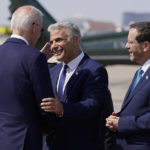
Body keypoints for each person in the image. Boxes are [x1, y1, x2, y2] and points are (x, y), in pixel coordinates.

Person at [41, 21, 114, 150]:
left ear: (74, 39)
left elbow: (91, 106)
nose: (53, 46)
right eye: (51, 42)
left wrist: (62, 109)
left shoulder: (94, 70)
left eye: (58, 40)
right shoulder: (52, 71)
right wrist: (38, 60)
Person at [0, 5, 54, 150]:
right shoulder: (34, 58)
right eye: (41, 29)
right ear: (35, 27)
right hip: (24, 140)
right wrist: (50, 128)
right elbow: (45, 104)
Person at [106, 21, 150, 150]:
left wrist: (122, 123)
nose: (126, 46)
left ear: (146, 45)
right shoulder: (141, 72)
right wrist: (117, 118)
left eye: (131, 42)